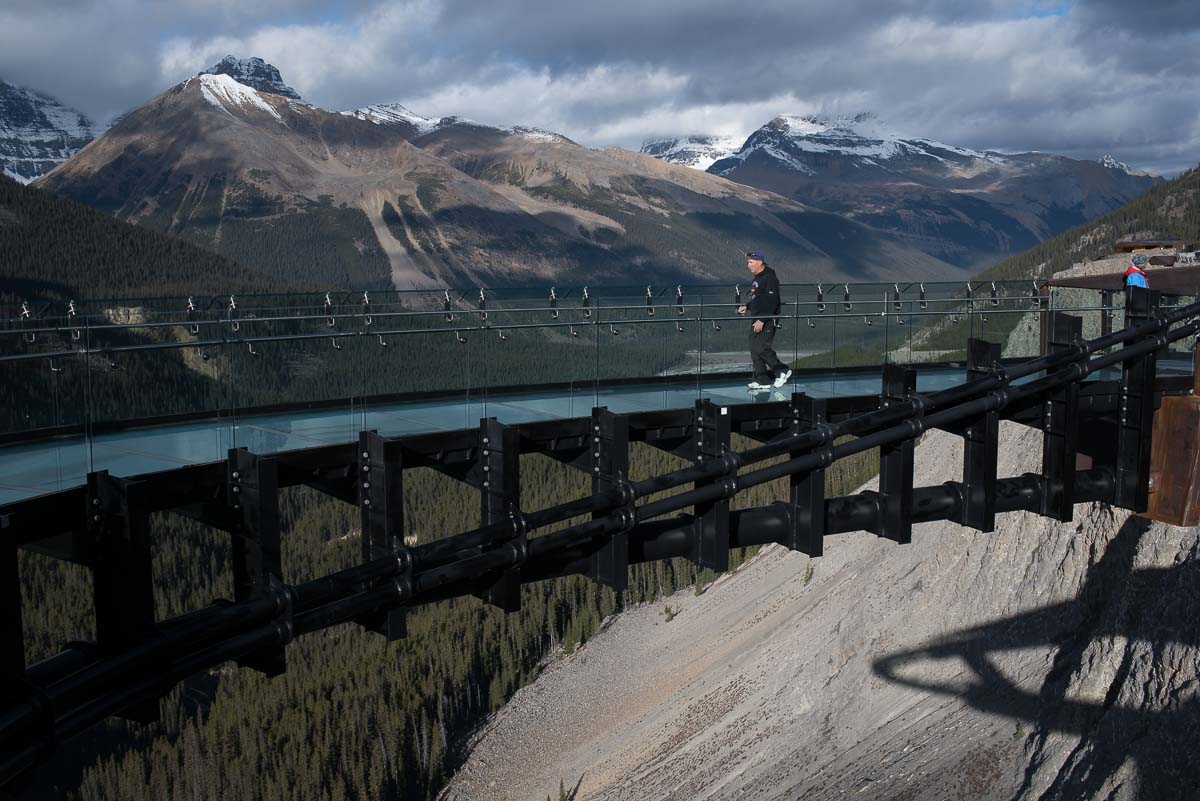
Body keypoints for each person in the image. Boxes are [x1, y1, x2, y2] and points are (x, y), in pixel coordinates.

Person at [737, 251, 792, 391]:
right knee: (754, 348)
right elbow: (758, 299)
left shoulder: (769, 278)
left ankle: (782, 370)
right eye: (748, 262)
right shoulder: (758, 278)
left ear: (760, 262)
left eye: (751, 262)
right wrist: (747, 306)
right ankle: (762, 380)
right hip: (757, 318)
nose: (748, 265)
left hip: (767, 319)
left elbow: (772, 301)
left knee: (761, 347)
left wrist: (762, 319)